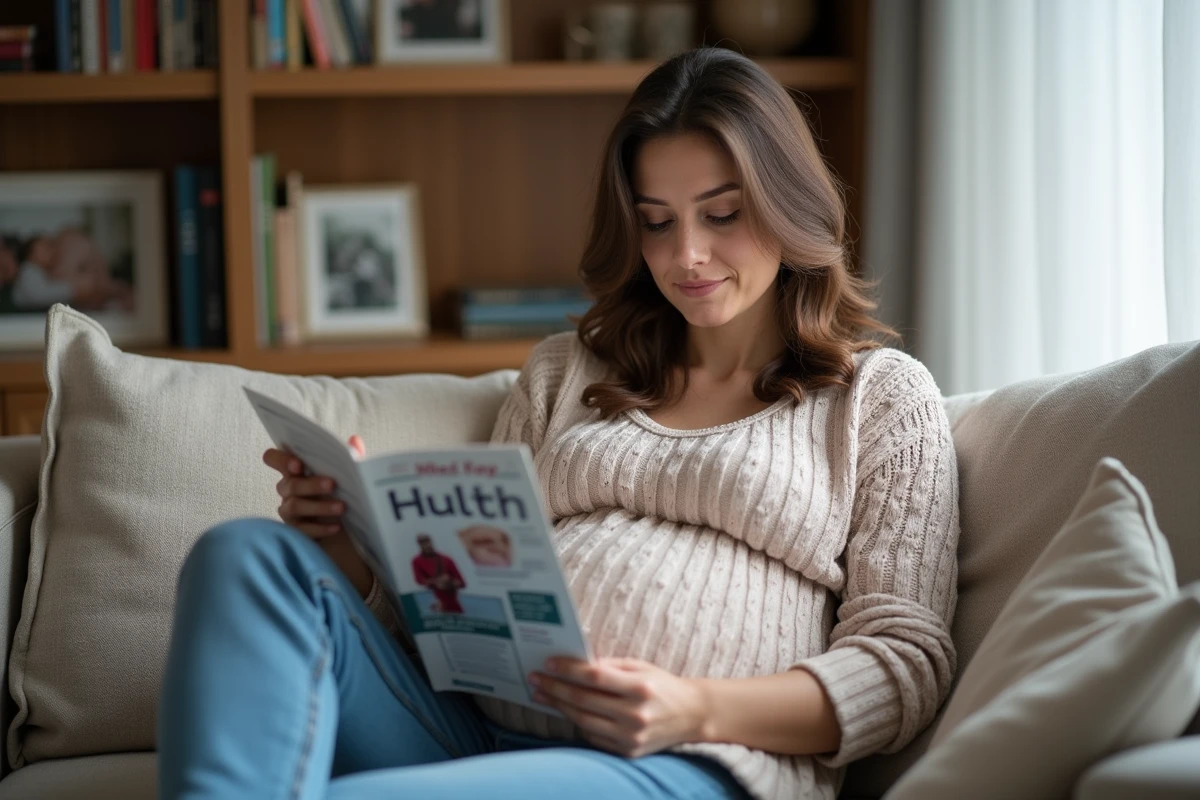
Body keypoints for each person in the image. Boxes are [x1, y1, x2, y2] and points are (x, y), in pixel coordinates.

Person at [157, 47, 960, 800]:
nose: (687, 254)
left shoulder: (879, 399)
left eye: (722, 214)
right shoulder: (564, 371)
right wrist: (349, 544)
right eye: (657, 221)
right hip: (466, 730)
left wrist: (696, 707)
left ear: (790, 205)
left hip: (685, 763)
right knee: (246, 554)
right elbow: (446, 622)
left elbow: (904, 665)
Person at [411, 534, 466, 613]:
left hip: (452, 601)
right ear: (419, 545)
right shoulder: (417, 561)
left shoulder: (446, 559)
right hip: (436, 601)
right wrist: (436, 581)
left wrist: (449, 582)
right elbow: (419, 580)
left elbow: (462, 582)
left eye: (427, 541)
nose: (426, 545)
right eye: (422, 543)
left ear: (431, 542)